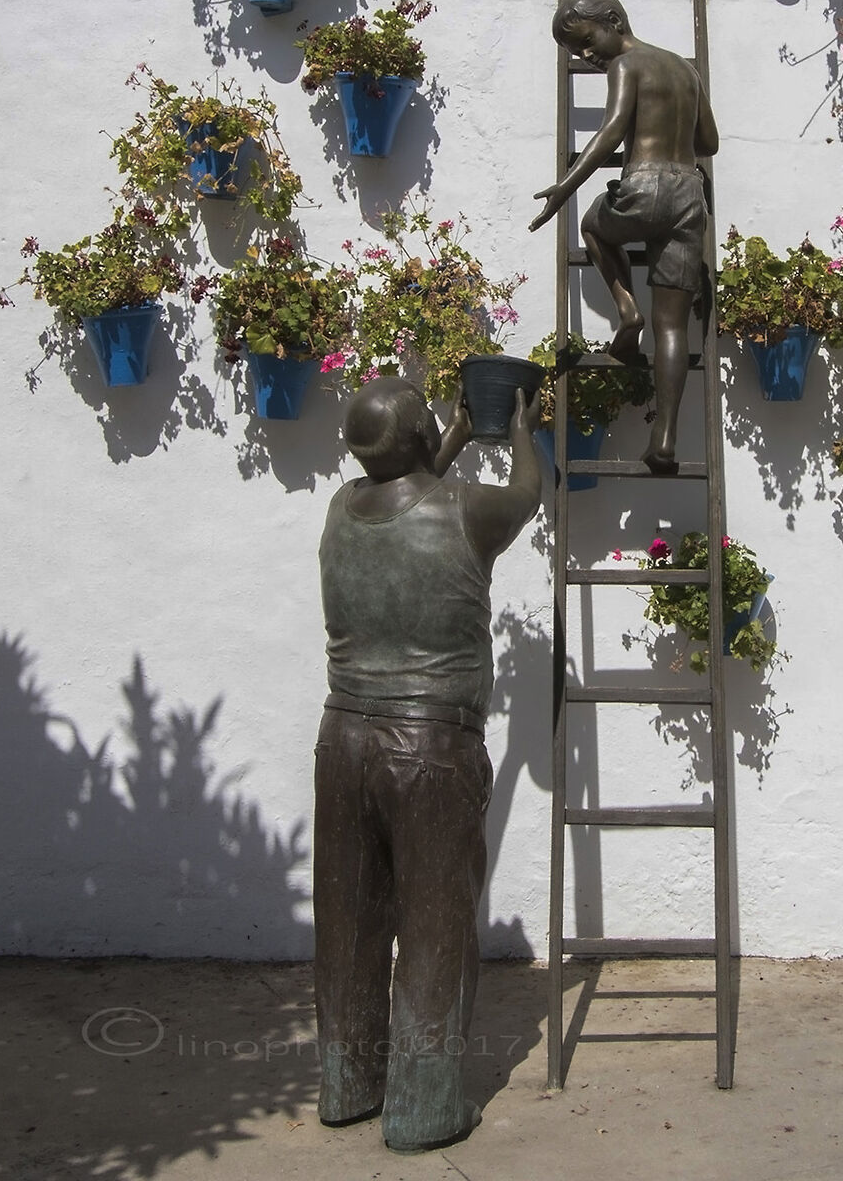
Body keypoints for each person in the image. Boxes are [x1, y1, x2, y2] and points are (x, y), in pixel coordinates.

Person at [313, 375, 544, 1153]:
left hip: (342, 740)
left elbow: (410, 488)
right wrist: (518, 427)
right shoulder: (470, 510)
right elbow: (525, 494)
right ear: (418, 437)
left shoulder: (341, 508)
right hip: (431, 748)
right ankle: (423, 1110)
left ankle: (348, 1087)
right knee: (433, 927)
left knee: (349, 921)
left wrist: (451, 435)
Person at [528, 0, 719, 475]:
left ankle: (627, 311)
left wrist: (564, 187)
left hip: (644, 187)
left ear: (614, 21)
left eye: (586, 41)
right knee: (672, 326)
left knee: (593, 224)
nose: (586, 55)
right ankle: (665, 439)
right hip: (688, 195)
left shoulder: (625, 65)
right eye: (576, 52)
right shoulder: (687, 71)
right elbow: (709, 141)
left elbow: (612, 129)